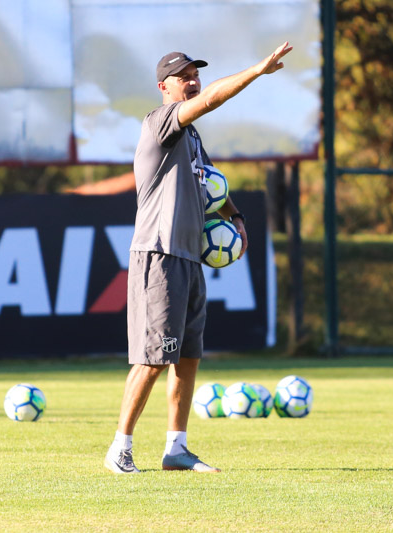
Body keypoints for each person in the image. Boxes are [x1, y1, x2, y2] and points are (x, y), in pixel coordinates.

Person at [104, 42, 293, 474]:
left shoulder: (191, 137)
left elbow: (214, 186)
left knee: (187, 356)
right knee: (152, 359)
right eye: (183, 75)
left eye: (195, 73)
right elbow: (212, 100)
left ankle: (176, 448)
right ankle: (120, 447)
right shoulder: (161, 121)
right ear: (163, 87)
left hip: (189, 257)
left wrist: (236, 217)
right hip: (159, 253)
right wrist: (257, 71)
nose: (193, 81)